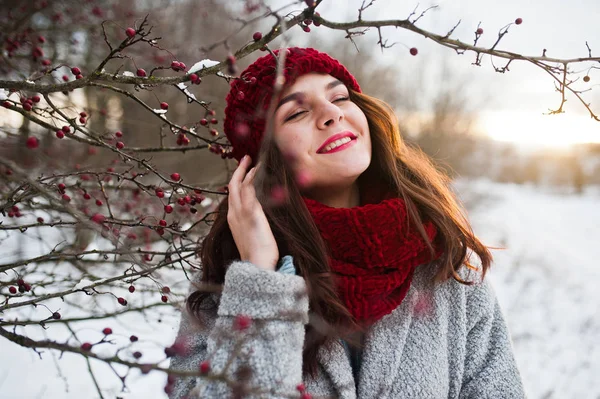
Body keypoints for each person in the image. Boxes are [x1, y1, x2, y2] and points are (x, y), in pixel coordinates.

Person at [168, 47, 526, 399]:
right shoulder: (227, 286)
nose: (330, 114)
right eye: (295, 113)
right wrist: (262, 281)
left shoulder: (445, 265)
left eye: (339, 97)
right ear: (264, 161)